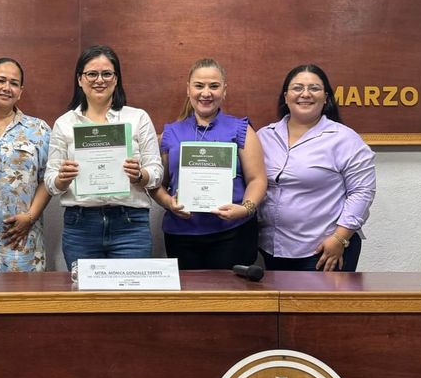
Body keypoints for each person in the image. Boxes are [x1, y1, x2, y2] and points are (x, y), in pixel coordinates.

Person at [45, 45, 163, 269]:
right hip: (81, 226)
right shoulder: (64, 123)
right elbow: (51, 183)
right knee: (86, 301)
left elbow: (156, 173)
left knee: (130, 300)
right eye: (91, 74)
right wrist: (63, 178)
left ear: (116, 79)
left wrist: (140, 175)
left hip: (130, 224)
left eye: (107, 73)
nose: (99, 80)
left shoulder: (137, 118)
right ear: (80, 79)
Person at [257, 64, 376, 272]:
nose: (305, 94)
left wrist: (340, 238)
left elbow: (362, 192)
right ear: (285, 96)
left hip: (324, 250)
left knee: (320, 306)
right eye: (297, 88)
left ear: (326, 97)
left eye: (314, 88)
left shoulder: (344, 138)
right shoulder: (264, 136)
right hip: (270, 249)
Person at [150, 58, 266, 270]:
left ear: (224, 90)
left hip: (234, 233)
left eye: (214, 86)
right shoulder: (171, 133)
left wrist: (245, 209)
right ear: (188, 89)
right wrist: (168, 203)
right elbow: (158, 184)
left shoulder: (241, 129)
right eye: (199, 85)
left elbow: (257, 179)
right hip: (181, 235)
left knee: (231, 300)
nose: (206, 93)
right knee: (191, 301)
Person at [0, 57, 52, 272]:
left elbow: (48, 179)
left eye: (14, 83)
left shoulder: (39, 130)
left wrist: (31, 217)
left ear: (21, 91)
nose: (7, 88)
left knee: (24, 304)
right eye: (1, 81)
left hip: (22, 242)